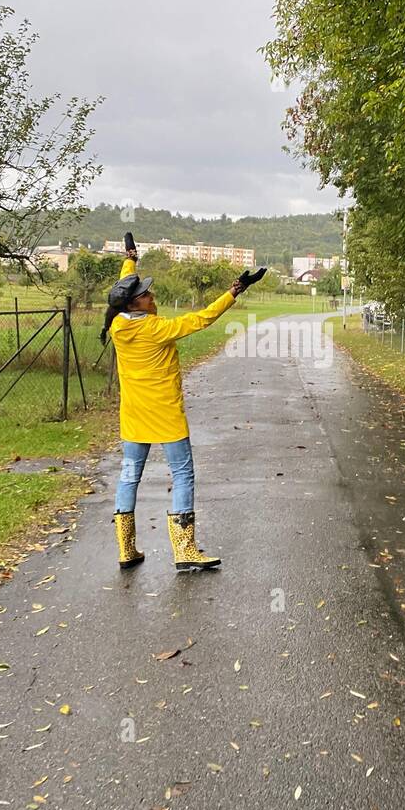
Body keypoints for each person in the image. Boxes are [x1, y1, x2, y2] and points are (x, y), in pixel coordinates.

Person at [100, 239, 265, 571]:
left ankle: (126, 549)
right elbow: (203, 318)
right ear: (136, 303)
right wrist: (235, 291)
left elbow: (122, 287)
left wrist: (130, 260)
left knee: (130, 475)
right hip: (165, 415)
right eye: (147, 295)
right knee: (183, 473)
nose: (153, 296)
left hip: (133, 416)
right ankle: (185, 548)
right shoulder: (158, 329)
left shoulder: (118, 325)